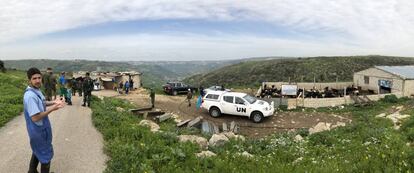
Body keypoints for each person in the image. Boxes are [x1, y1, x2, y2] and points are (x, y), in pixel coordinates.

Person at [24, 67, 65, 173]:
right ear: (29, 80)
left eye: (39, 78)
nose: (37, 81)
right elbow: (35, 117)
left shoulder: (36, 91)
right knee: (46, 155)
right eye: (34, 78)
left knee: (38, 151)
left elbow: (42, 103)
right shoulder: (30, 96)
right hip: (38, 131)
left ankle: (31, 171)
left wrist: (54, 102)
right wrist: (53, 108)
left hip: (41, 129)